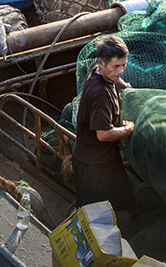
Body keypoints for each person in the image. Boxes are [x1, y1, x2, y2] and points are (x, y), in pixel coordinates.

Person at [72, 35, 135, 222]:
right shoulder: (100, 94)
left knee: (121, 203)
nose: (121, 70)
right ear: (101, 62)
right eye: (116, 66)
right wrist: (128, 130)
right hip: (93, 164)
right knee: (95, 216)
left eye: (124, 65)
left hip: (107, 158)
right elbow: (103, 134)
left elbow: (115, 79)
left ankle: (125, 236)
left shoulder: (99, 71)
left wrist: (125, 86)